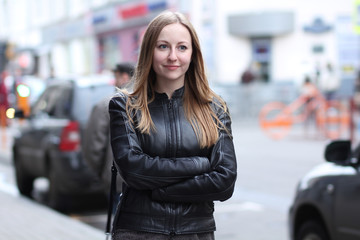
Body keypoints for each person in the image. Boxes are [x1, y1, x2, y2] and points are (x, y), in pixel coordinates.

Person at [108, 11, 237, 240]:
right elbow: (133, 170)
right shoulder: (125, 105)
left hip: (195, 233)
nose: (173, 57)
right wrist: (200, 164)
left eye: (182, 47)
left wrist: (161, 190)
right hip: (139, 232)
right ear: (149, 51)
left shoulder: (215, 108)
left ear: (193, 53)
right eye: (163, 46)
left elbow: (224, 182)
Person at [83, 63, 134, 203]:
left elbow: (93, 146)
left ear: (124, 77)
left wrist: (102, 174)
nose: (114, 81)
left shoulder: (108, 104)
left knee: (120, 222)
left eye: (115, 77)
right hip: (147, 183)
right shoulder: (151, 101)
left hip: (117, 180)